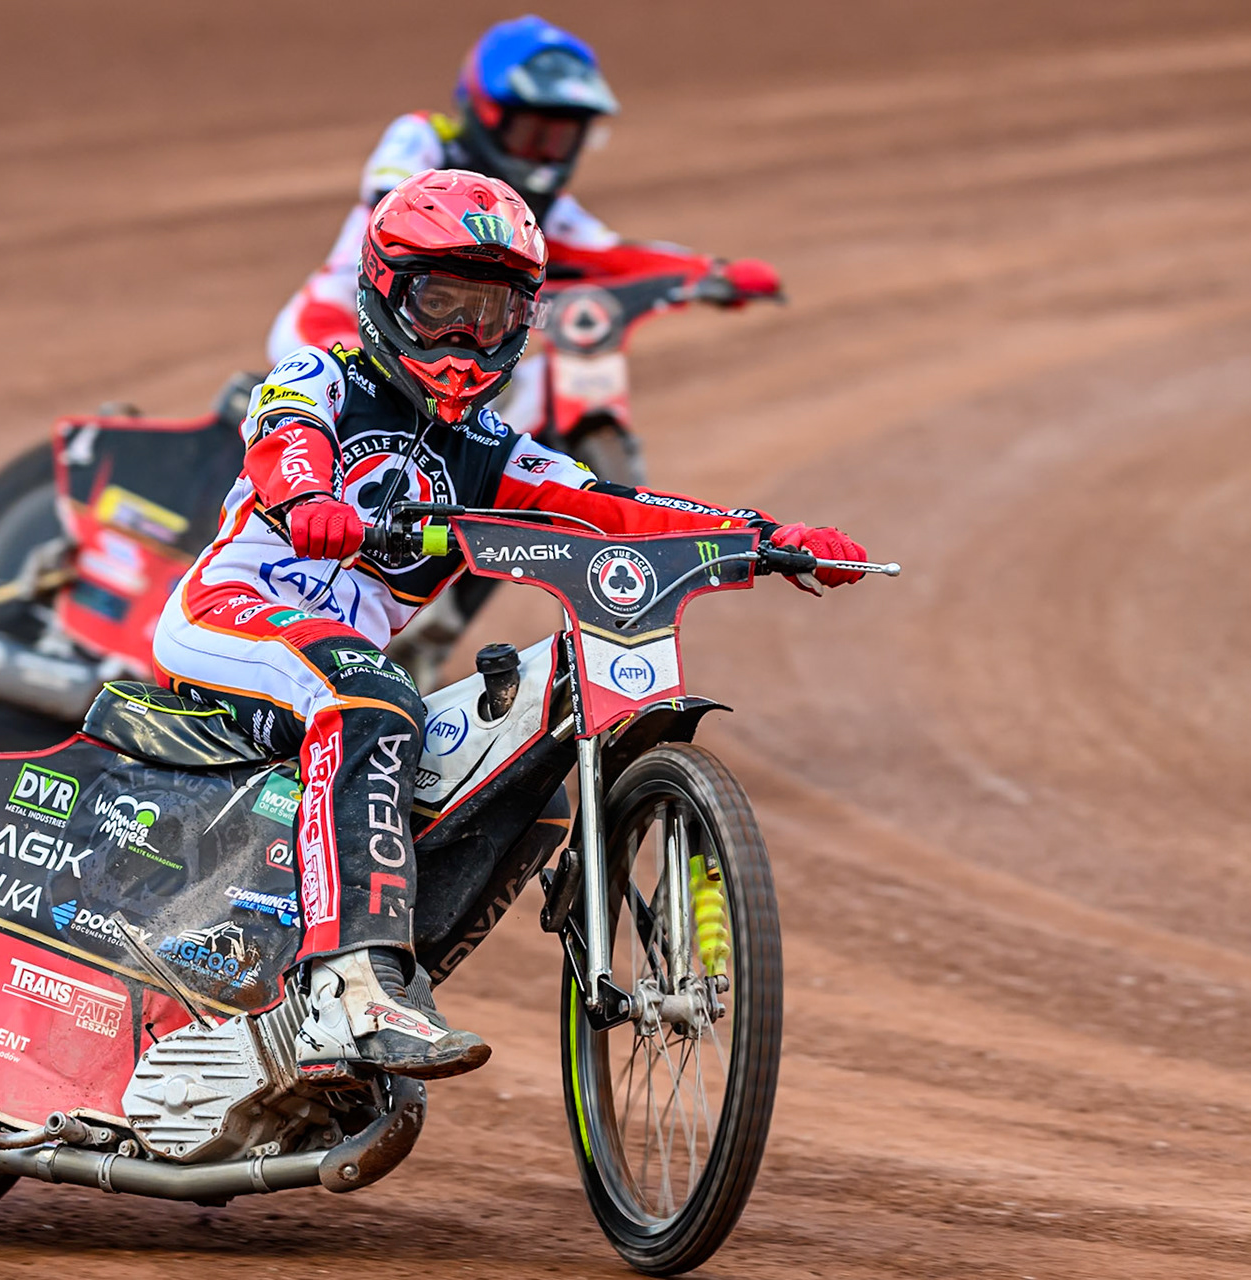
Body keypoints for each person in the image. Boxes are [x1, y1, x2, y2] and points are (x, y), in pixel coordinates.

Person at [154, 170, 864, 1081]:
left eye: (486, 315)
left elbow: (616, 507)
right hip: (230, 615)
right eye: (439, 303)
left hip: (330, 662)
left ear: (521, 323)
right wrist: (308, 499)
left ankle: (361, 996)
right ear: (383, 294)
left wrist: (769, 537)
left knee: (531, 787)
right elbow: (285, 439)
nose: (461, 336)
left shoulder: (496, 454)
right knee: (375, 698)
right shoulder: (320, 377)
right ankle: (351, 993)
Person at [266, 14, 782, 378]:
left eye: (560, 139)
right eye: (532, 134)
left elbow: (610, 253)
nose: (543, 158)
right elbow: (390, 196)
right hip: (341, 324)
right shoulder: (424, 137)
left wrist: (711, 272)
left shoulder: (534, 212)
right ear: (487, 113)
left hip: (452, 342)